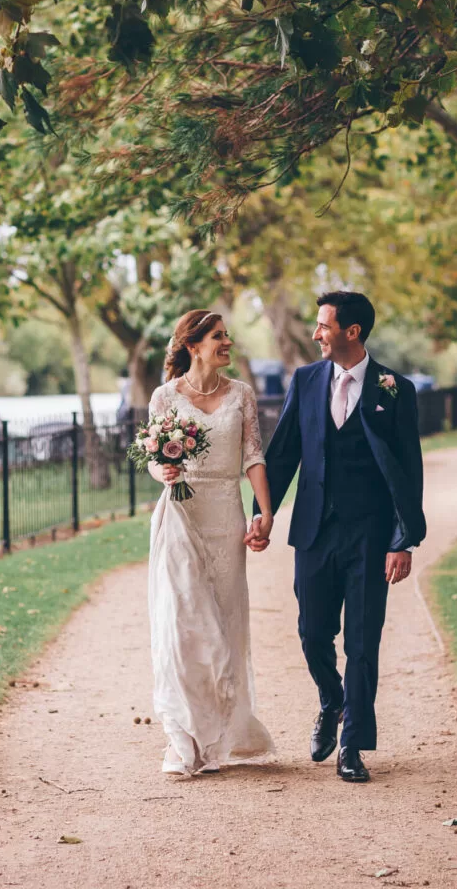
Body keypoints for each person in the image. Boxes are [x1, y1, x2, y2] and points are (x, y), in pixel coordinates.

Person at [249, 291, 426, 783]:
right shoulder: (305, 380)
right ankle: (332, 701)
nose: (315, 334)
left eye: (323, 325)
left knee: (364, 642)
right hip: (314, 530)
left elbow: (408, 470)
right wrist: (263, 513)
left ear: (352, 331)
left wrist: (402, 539)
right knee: (311, 633)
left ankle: (352, 746)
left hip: (370, 536)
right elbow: (283, 452)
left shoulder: (395, 388)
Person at [145, 309, 275, 775]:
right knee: (183, 622)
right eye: (218, 337)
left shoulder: (241, 394)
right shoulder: (164, 397)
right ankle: (185, 739)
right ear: (193, 345)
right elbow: (152, 459)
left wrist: (265, 510)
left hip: (225, 513)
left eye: (227, 335)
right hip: (180, 513)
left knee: (223, 621)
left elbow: (253, 456)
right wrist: (162, 470)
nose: (227, 342)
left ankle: (218, 732)